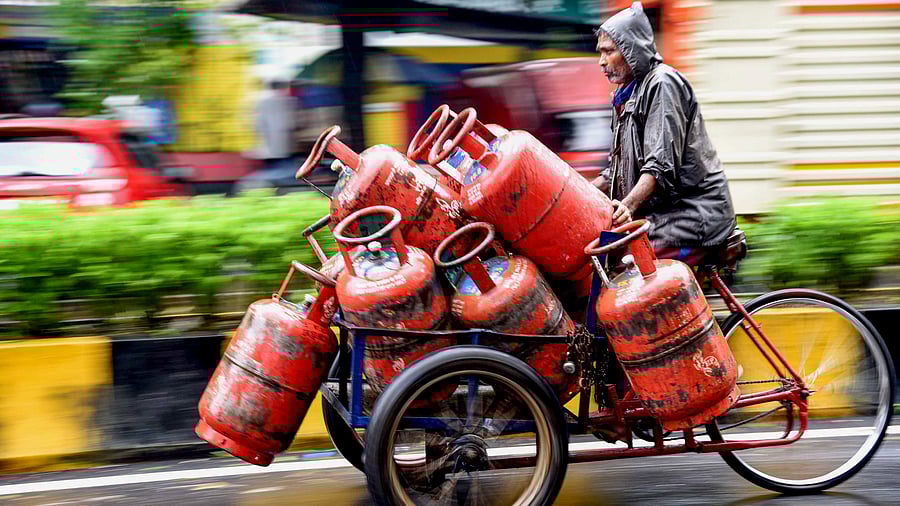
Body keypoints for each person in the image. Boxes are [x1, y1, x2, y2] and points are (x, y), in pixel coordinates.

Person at [591, 2, 736, 266]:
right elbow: (616, 171)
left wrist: (629, 205)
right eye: (600, 52)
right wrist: (579, 194)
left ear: (630, 50)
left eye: (608, 52)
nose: (601, 62)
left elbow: (659, 165)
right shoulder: (626, 95)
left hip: (692, 215)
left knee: (629, 263)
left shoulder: (662, 84)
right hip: (666, 216)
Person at [254, 78, 300, 172]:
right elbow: (293, 123)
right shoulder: (289, 101)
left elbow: (259, 124)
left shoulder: (261, 101)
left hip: (269, 150)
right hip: (286, 149)